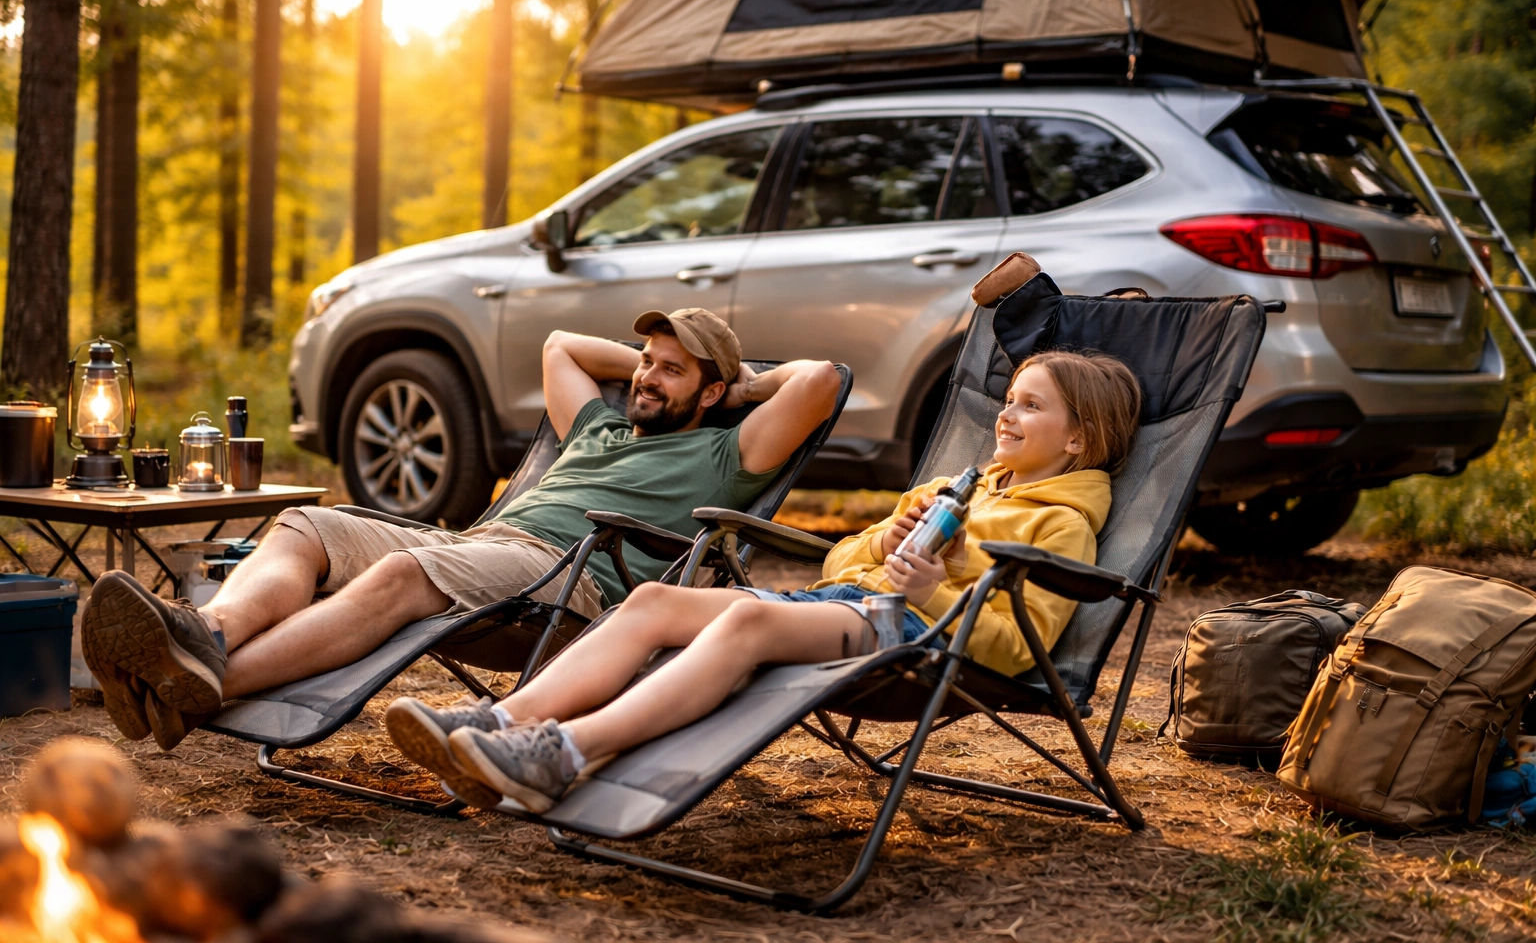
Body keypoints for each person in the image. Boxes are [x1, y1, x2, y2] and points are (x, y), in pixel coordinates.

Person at [385, 350, 1143, 813]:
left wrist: (929, 594)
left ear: (1078, 438)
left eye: (1030, 406)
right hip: (856, 605)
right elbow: (840, 561)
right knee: (653, 602)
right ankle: (499, 727)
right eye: (1008, 399)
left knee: (744, 626)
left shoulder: (1061, 526)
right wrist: (890, 535)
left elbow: (1021, 650)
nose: (1007, 415)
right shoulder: (964, 486)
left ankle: (566, 752)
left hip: (919, 634)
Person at [81, 308, 842, 750]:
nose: (644, 377)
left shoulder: (725, 450)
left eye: (671, 371)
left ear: (712, 391)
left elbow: (821, 381)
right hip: (476, 546)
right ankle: (206, 636)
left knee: (401, 578)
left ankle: (194, 691)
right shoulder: (598, 427)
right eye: (645, 361)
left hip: (560, 576)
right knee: (307, 525)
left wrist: (744, 386)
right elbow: (561, 346)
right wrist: (660, 365)